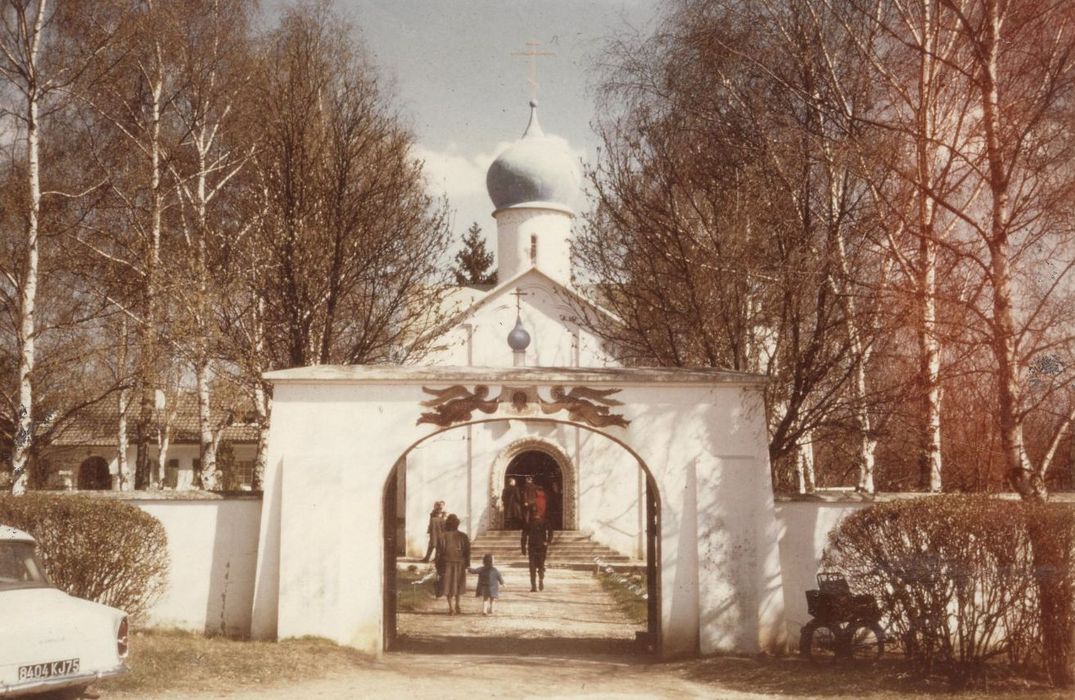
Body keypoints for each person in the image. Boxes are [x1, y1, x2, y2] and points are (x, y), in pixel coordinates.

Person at [435, 513, 470, 614]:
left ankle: (451, 608)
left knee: (448, 585)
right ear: (457, 524)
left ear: (447, 524)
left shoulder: (442, 536)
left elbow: (438, 553)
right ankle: (458, 605)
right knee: (458, 584)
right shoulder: (463, 536)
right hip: (460, 563)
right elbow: (467, 552)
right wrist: (467, 564)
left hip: (447, 563)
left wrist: (438, 566)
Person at [520, 505, 553, 592]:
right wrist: (548, 541)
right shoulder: (544, 522)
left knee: (532, 566)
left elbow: (523, 536)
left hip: (532, 546)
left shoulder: (529, 523)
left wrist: (523, 547)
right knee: (541, 564)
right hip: (541, 546)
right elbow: (550, 531)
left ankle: (534, 585)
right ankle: (540, 579)